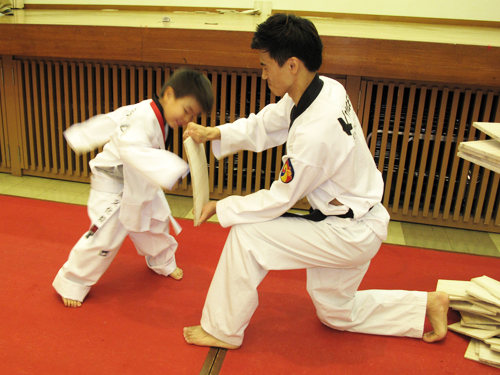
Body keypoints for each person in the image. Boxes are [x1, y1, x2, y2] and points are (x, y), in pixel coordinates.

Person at [182, 14, 449, 349]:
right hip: (360, 218)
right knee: (336, 313)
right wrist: (217, 132)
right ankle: (424, 305)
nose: (262, 74)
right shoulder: (326, 89)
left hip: (347, 233)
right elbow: (271, 122)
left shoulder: (315, 135)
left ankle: (222, 330)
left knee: (247, 236)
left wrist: (220, 207)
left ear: (292, 64)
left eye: (266, 66)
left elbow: (280, 199)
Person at [53, 68, 213, 307]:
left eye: (193, 116)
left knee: (156, 221)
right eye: (187, 111)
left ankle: (162, 262)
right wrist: (174, 168)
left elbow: (113, 119)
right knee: (105, 236)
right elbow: (131, 150)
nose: (187, 119)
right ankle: (72, 280)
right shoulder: (143, 116)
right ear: (169, 95)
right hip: (113, 184)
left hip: (138, 180)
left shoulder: (156, 112)